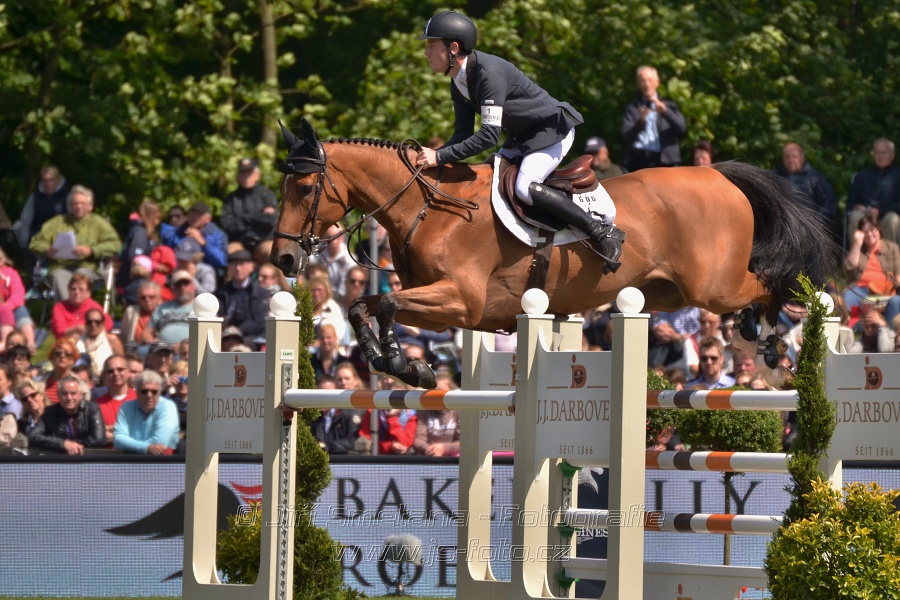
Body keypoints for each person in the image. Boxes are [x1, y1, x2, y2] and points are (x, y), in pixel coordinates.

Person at [414, 10, 623, 271]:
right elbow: (463, 134)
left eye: (431, 45)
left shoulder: (489, 74)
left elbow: (488, 136)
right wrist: (433, 157)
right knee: (490, 177)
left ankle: (602, 233)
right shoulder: (458, 82)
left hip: (552, 130)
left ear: (453, 48)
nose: (426, 52)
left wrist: (440, 156)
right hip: (524, 137)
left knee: (525, 187)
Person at [28, 184, 122, 301]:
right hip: (59, 266)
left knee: (79, 280)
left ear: (90, 206)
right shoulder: (57, 222)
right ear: (69, 206)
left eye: (82, 203)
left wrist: (91, 250)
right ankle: (70, 315)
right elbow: (34, 243)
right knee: (59, 277)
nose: (79, 207)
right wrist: (47, 250)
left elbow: (116, 245)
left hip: (86, 266)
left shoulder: (98, 223)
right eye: (75, 203)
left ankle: (73, 315)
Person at [621, 65, 686, 172]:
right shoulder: (633, 108)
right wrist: (640, 123)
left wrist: (666, 112)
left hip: (665, 161)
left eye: (650, 80)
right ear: (638, 84)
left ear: (657, 82)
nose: (647, 84)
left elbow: (681, 128)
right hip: (639, 161)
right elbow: (626, 137)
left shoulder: (669, 105)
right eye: (643, 81)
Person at [842, 214, 900, 324]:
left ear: (879, 230)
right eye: (865, 232)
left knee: (895, 301)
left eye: (872, 230)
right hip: (860, 290)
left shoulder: (892, 248)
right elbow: (848, 268)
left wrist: (895, 283)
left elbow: (898, 272)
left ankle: (888, 331)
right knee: (847, 298)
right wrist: (857, 244)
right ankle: (851, 328)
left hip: (884, 291)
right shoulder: (858, 249)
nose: (869, 234)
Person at [27, 375, 106, 454]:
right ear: (58, 395)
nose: (69, 398)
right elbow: (32, 436)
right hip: (59, 461)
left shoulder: (92, 409)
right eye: (64, 394)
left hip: (88, 460)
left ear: (80, 395)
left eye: (73, 393)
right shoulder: (50, 412)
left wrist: (72, 445)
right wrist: (63, 444)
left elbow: (99, 440)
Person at [221, 158, 278, 263]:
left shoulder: (267, 195)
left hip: (264, 242)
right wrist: (259, 217)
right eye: (243, 173)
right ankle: (229, 280)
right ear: (238, 176)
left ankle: (285, 280)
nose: (246, 177)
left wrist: (243, 218)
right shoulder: (231, 199)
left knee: (272, 252)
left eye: (250, 173)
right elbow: (227, 225)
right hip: (240, 243)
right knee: (229, 252)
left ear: (257, 175)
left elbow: (271, 221)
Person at [775, 142, 839, 236]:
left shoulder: (814, 178)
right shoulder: (775, 177)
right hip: (782, 225)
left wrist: (816, 222)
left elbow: (830, 202)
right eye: (787, 157)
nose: (791, 160)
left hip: (809, 226)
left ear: (802, 158)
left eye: (794, 157)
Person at [112, 369, 180, 455]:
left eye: (154, 392)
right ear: (136, 392)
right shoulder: (126, 407)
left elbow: (159, 444)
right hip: (131, 463)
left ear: (159, 392)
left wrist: (129, 444)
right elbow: (118, 439)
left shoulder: (168, 406)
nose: (149, 395)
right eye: (144, 391)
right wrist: (146, 447)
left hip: (163, 463)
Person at [847, 138, 900, 243]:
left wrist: (879, 210)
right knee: (854, 217)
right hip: (864, 216)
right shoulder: (862, 175)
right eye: (877, 153)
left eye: (884, 153)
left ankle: (887, 257)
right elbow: (850, 204)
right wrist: (856, 207)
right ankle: (858, 256)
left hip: (887, 214)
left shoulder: (898, 176)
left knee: (892, 219)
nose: (880, 156)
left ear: (892, 156)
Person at [215, 249, 268, 347]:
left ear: (251, 267)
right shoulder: (221, 293)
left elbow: (259, 321)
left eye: (242, 264)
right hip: (225, 334)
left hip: (250, 337)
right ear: (229, 268)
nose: (238, 268)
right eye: (234, 264)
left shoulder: (260, 293)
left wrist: (238, 330)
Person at [12, 166, 70, 252]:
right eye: (44, 180)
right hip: (38, 241)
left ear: (57, 181)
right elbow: (25, 220)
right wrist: (25, 242)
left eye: (51, 180)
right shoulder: (35, 198)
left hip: (60, 241)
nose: (48, 184)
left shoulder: (67, 197)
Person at [160, 201, 228, 269]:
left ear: (208, 219)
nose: (194, 216)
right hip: (181, 273)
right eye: (192, 212)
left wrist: (204, 244)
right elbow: (166, 257)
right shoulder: (175, 234)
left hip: (207, 274)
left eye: (199, 214)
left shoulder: (218, 235)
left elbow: (221, 261)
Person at [49, 273, 113, 341]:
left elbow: (108, 323)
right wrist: (77, 329)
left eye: (81, 289)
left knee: (112, 338)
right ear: (68, 290)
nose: (76, 292)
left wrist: (90, 330)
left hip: (90, 340)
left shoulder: (94, 306)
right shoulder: (60, 307)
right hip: (68, 343)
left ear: (88, 293)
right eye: (73, 289)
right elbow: (60, 331)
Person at [140, 270, 197, 345]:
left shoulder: (203, 307)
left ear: (194, 286)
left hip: (192, 349)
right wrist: (154, 343)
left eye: (185, 283)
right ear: (173, 289)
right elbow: (146, 333)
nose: (182, 287)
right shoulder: (162, 308)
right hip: (163, 351)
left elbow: (212, 333)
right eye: (178, 284)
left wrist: (184, 346)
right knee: (141, 351)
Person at [309, 375, 362, 454]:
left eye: (330, 393)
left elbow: (352, 442)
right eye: (321, 393)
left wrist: (327, 447)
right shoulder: (311, 416)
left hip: (342, 462)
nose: (325, 397)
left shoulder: (348, 413)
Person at [412, 374, 460, 456]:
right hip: (428, 455)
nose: (438, 397)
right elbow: (418, 439)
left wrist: (444, 448)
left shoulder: (458, 410)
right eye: (434, 392)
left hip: (452, 457)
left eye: (442, 392)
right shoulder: (423, 410)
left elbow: (464, 442)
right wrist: (429, 449)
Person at [0, 246, 36, 354]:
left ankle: (30, 342)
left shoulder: (10, 274)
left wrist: (8, 305)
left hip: (10, 306)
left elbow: (18, 293)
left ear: (1, 261)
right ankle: (5, 343)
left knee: (20, 309)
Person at [93, 354, 136, 443]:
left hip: (136, 455)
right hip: (107, 455)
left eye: (120, 369)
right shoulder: (96, 405)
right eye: (110, 371)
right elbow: (96, 435)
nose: (115, 373)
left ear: (128, 373)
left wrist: (111, 431)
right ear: (105, 375)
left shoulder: (140, 399)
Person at [78, 307, 124, 379]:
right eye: (90, 322)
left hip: (108, 380)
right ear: (85, 323)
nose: (93, 324)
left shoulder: (111, 339)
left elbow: (122, 364)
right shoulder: (78, 341)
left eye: (97, 322)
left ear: (103, 323)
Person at [120, 280, 162, 353]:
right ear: (138, 299)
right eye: (143, 298)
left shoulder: (166, 312)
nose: (147, 300)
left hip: (161, 352)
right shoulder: (131, 312)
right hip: (136, 355)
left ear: (159, 298)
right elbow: (124, 337)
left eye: (151, 297)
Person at [309, 273, 346, 342]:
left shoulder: (333, 308)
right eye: (313, 290)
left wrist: (319, 344)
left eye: (320, 290)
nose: (316, 293)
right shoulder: (304, 307)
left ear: (327, 291)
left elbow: (339, 334)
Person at [41, 338, 79, 404]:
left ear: (73, 360)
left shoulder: (81, 385)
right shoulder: (39, 383)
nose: (62, 356)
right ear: (52, 358)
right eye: (58, 354)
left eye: (67, 354)